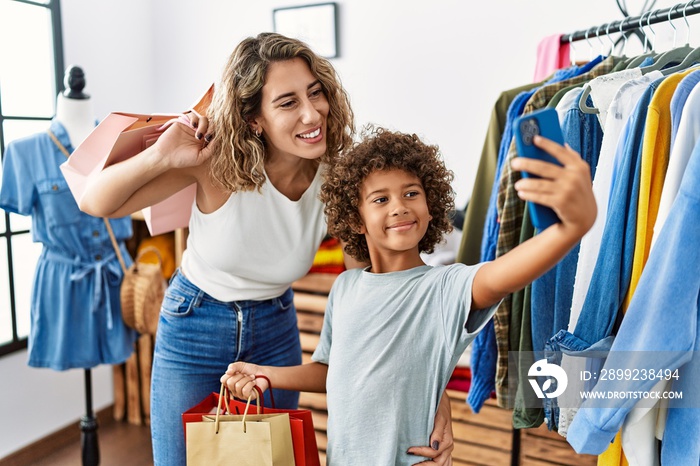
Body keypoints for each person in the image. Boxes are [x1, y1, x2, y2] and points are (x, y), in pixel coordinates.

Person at [78, 33, 454, 465]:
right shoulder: (214, 161)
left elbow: (377, 295)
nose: (312, 113)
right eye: (288, 102)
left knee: (273, 459)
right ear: (254, 118)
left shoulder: (336, 175)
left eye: (316, 93)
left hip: (274, 328)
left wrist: (433, 392)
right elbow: (95, 201)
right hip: (194, 324)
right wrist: (162, 158)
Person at [222, 126, 597, 464]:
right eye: (380, 199)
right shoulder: (346, 288)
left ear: (430, 206)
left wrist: (571, 228)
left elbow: (501, 276)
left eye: (411, 193)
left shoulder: (445, 289)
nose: (400, 206)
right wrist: (267, 375)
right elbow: (333, 372)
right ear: (356, 218)